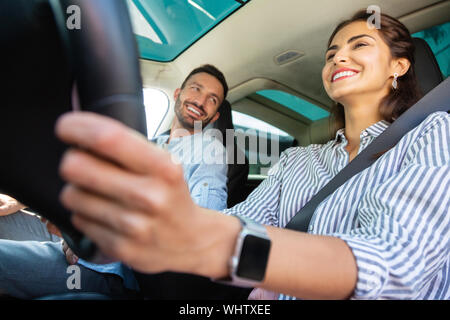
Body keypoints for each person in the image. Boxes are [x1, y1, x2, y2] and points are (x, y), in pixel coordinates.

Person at [53, 10, 449, 300]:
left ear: (399, 65)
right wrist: (150, 222)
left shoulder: (433, 134)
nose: (338, 58)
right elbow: (242, 221)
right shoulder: (300, 161)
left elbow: (396, 263)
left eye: (359, 45)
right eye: (331, 54)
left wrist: (220, 244)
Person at [0, 64, 229, 299]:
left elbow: (202, 228)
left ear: (216, 115)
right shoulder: (151, 144)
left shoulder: (209, 151)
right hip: (79, 238)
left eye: (212, 99)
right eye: (196, 89)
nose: (200, 101)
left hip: (109, 267)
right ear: (178, 93)